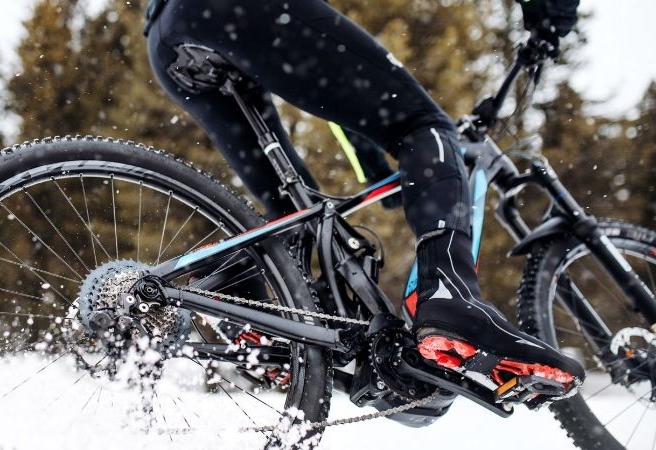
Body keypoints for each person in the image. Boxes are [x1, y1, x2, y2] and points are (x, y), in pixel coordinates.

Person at [143, 0, 585, 394]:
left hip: (168, 35)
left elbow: (341, 107)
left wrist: (374, 165)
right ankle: (449, 293)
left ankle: (249, 305)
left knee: (291, 210)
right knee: (423, 126)